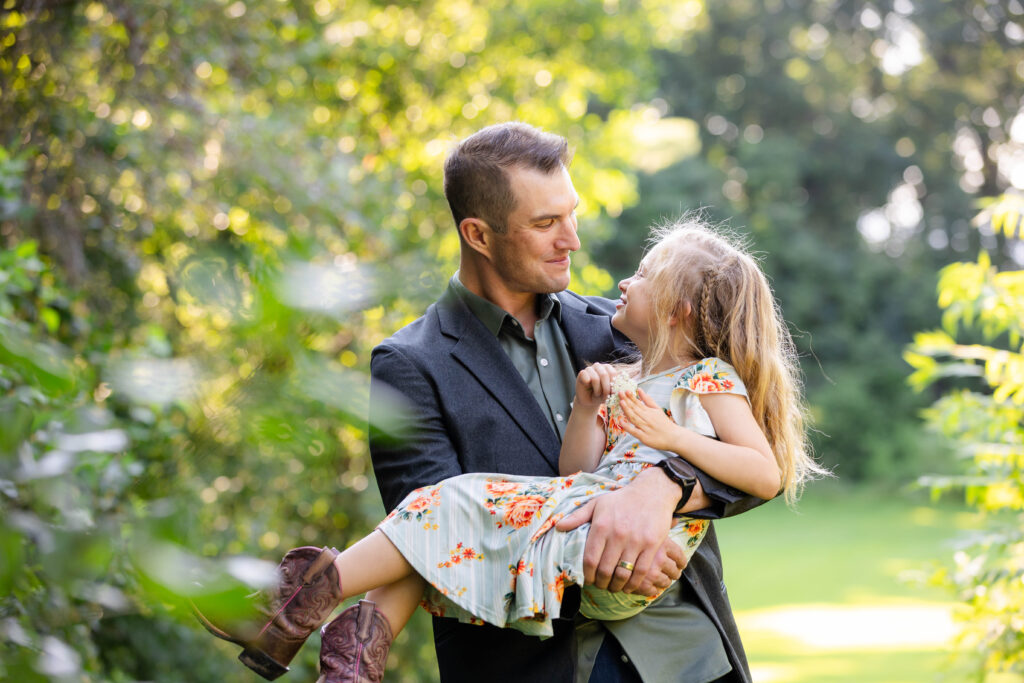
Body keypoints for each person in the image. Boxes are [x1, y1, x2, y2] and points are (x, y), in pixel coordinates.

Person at [196, 217, 819, 683]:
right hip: (536, 643)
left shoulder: (632, 338)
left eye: (569, 215)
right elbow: (572, 472)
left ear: (677, 309)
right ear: (481, 233)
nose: (572, 238)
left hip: (674, 651)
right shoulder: (412, 363)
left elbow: (759, 470)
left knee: (452, 506)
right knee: (442, 512)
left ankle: (303, 609)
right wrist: (585, 408)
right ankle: (344, 643)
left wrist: (666, 480)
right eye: (546, 222)